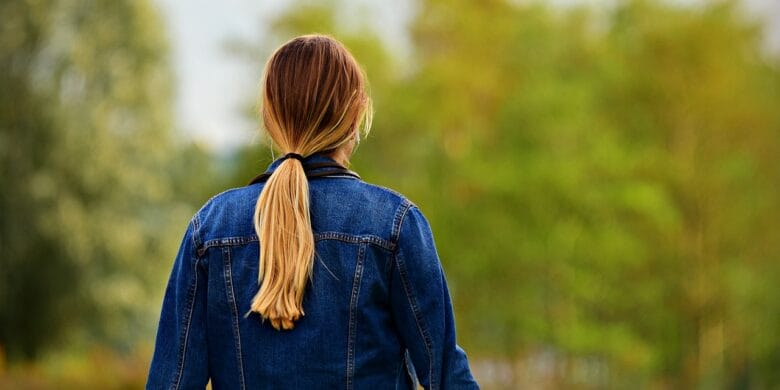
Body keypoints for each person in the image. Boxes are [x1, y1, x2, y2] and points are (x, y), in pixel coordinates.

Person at [146, 34, 479, 389]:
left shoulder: (210, 230)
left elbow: (173, 381)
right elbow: (448, 377)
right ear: (355, 115)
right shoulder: (394, 225)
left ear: (269, 117)